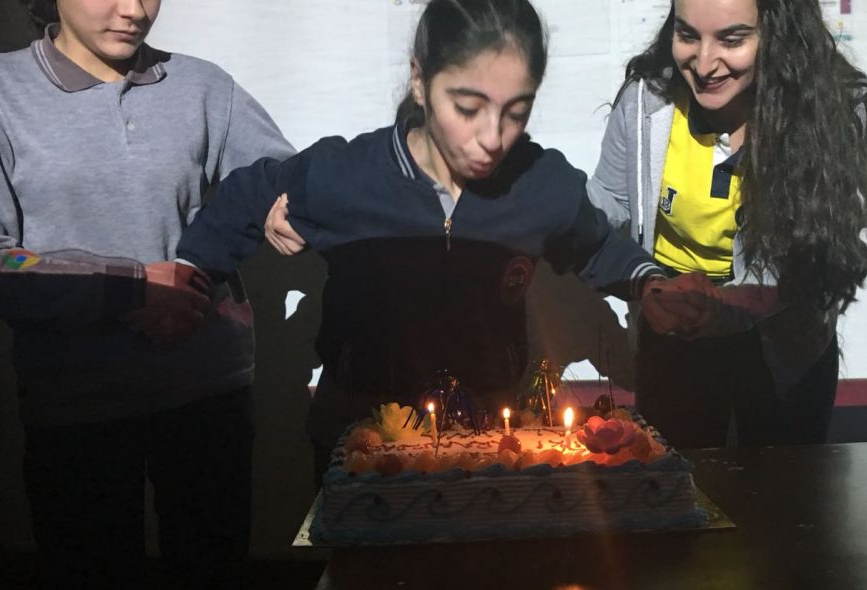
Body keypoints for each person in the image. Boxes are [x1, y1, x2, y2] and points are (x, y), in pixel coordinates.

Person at [176, 0, 708, 479]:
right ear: (419, 80)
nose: (492, 138)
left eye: (516, 112)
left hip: (490, 445)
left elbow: (595, 243)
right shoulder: (348, 175)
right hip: (358, 439)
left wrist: (650, 285)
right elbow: (245, 196)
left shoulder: (540, 183)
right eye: (468, 108)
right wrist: (188, 282)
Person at [0, 0, 294, 587]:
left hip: (207, 391)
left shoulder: (202, 85)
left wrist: (251, 227)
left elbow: (280, 181)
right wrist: (129, 287)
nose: (134, 10)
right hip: (77, 403)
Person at [586, 0, 867, 448]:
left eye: (731, 39)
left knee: (783, 489)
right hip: (672, 338)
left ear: (778, 34)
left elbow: (819, 256)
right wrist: (643, 281)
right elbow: (608, 204)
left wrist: (725, 307)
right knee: (676, 483)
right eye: (688, 35)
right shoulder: (646, 98)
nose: (704, 64)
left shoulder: (829, 107)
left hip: (783, 350)